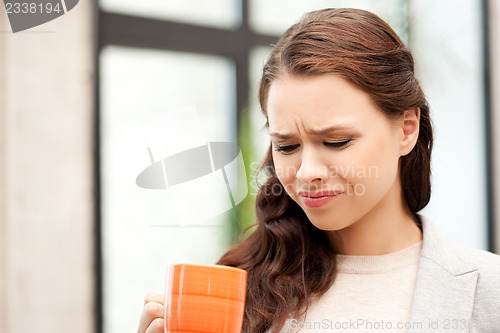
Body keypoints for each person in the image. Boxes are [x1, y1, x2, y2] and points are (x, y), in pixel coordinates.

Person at [137, 8, 500, 333]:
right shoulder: (239, 289)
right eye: (287, 146)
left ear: (406, 129)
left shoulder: (489, 292)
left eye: (337, 141)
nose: (307, 172)